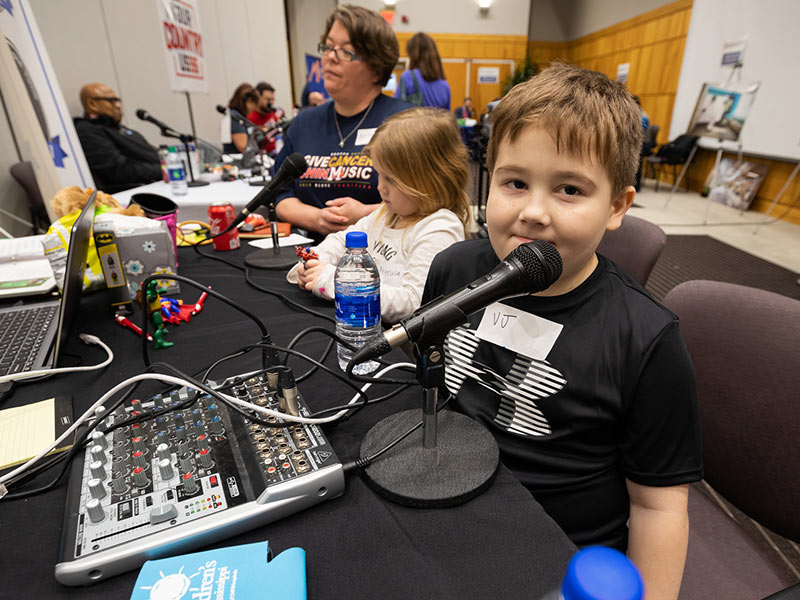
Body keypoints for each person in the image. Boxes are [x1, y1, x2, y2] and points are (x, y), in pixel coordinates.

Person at [422, 64, 702, 600]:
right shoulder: (455, 270)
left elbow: (658, 507)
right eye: (515, 183)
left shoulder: (646, 340)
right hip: (451, 503)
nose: (533, 212)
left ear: (617, 206)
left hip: (557, 557)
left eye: (569, 189)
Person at [289, 107, 470, 323]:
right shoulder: (388, 214)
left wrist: (335, 281)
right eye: (380, 175)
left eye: (391, 180)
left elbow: (413, 302)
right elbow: (342, 241)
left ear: (429, 180)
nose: (380, 187)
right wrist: (316, 261)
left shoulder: (439, 228)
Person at [272, 4, 413, 238]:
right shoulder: (303, 123)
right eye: (328, 47)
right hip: (310, 256)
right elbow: (280, 195)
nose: (330, 58)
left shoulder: (405, 123)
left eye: (346, 51)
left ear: (376, 68)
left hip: (385, 254)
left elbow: (432, 200)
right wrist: (316, 219)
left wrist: (366, 214)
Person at [73, 83, 162, 193]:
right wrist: (163, 169)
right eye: (111, 101)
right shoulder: (88, 130)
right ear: (92, 104)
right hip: (138, 192)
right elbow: (120, 171)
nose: (118, 105)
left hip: (159, 182)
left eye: (117, 100)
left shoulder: (119, 129)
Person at [394, 32, 450, 110]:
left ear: (413, 55)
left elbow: (395, 109)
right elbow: (447, 117)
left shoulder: (408, 77)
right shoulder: (445, 85)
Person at [222, 83, 258, 154]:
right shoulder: (235, 119)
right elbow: (243, 148)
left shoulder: (234, 115)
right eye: (254, 104)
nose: (254, 109)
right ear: (249, 101)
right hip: (237, 161)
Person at [248, 82, 284, 154]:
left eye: (273, 99)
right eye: (268, 99)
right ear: (258, 98)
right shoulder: (250, 119)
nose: (271, 103)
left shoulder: (273, 114)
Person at [632, 95, 649, 191]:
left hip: (643, 145)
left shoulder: (643, 118)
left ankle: (636, 185)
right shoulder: (637, 115)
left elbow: (636, 134)